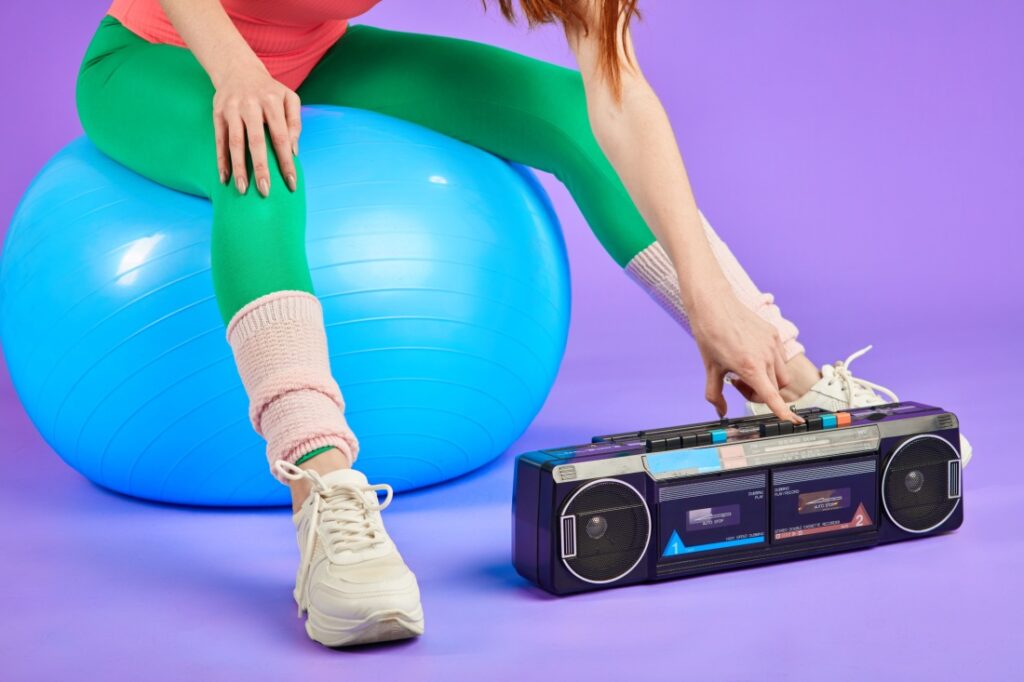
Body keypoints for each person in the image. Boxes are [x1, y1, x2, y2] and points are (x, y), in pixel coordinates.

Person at [74, 0, 971, 648]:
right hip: (157, 56)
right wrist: (233, 74)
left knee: (566, 108)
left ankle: (794, 379)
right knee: (263, 165)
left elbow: (618, 98)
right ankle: (323, 492)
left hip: (310, 57)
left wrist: (715, 307)